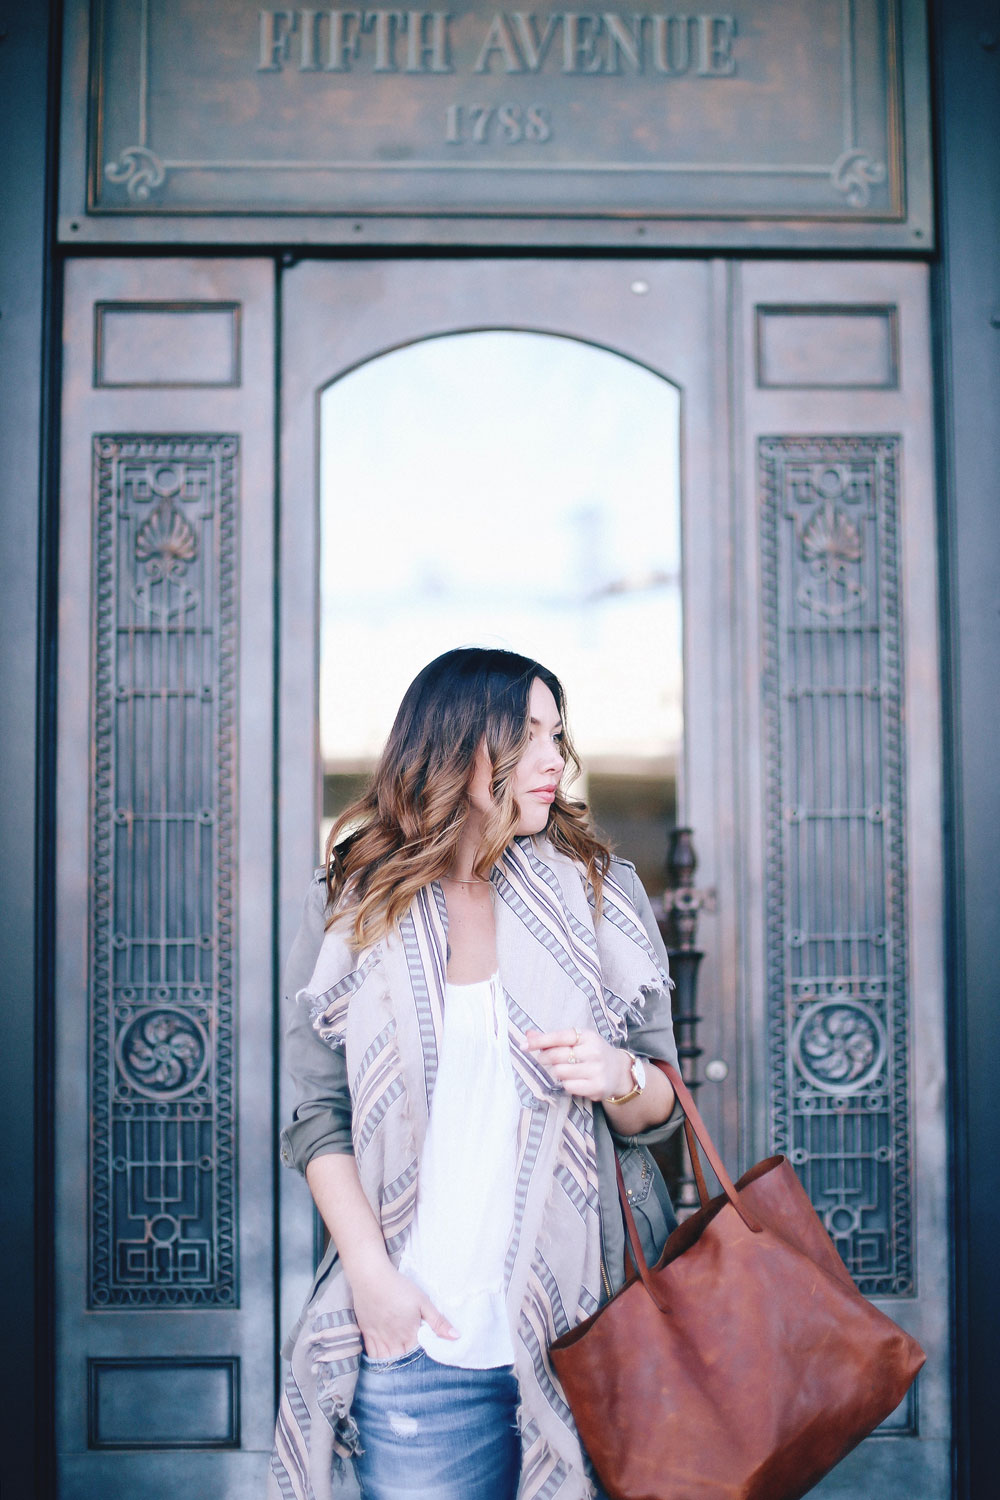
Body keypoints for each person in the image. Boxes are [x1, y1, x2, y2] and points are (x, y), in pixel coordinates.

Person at [270, 647, 681, 1500]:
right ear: (456, 746)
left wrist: (615, 1074)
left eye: (557, 736)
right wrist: (376, 1288)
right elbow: (316, 1114)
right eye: (526, 735)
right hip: (423, 1339)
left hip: (588, 1328)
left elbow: (663, 1105)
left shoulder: (599, 897)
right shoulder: (353, 905)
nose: (551, 761)